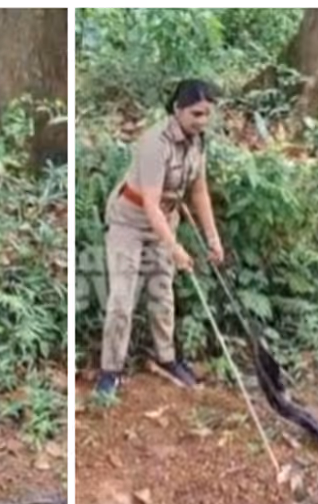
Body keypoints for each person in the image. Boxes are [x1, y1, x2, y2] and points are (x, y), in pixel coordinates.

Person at [94, 79, 225, 399]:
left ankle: (166, 358)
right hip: (129, 221)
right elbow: (150, 202)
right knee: (122, 299)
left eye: (207, 114)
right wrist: (175, 248)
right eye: (196, 113)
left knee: (162, 291)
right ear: (178, 109)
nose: (202, 121)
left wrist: (213, 238)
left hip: (165, 220)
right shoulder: (154, 142)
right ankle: (110, 371)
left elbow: (199, 191)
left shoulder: (198, 142)